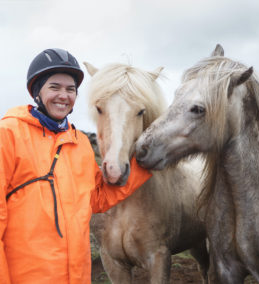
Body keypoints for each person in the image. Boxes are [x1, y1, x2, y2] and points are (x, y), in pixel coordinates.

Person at [0, 48, 152, 284]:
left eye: (71, 90)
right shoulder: (8, 135)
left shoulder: (79, 143)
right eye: (54, 87)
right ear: (36, 91)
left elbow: (96, 198)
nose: (64, 95)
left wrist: (145, 166)